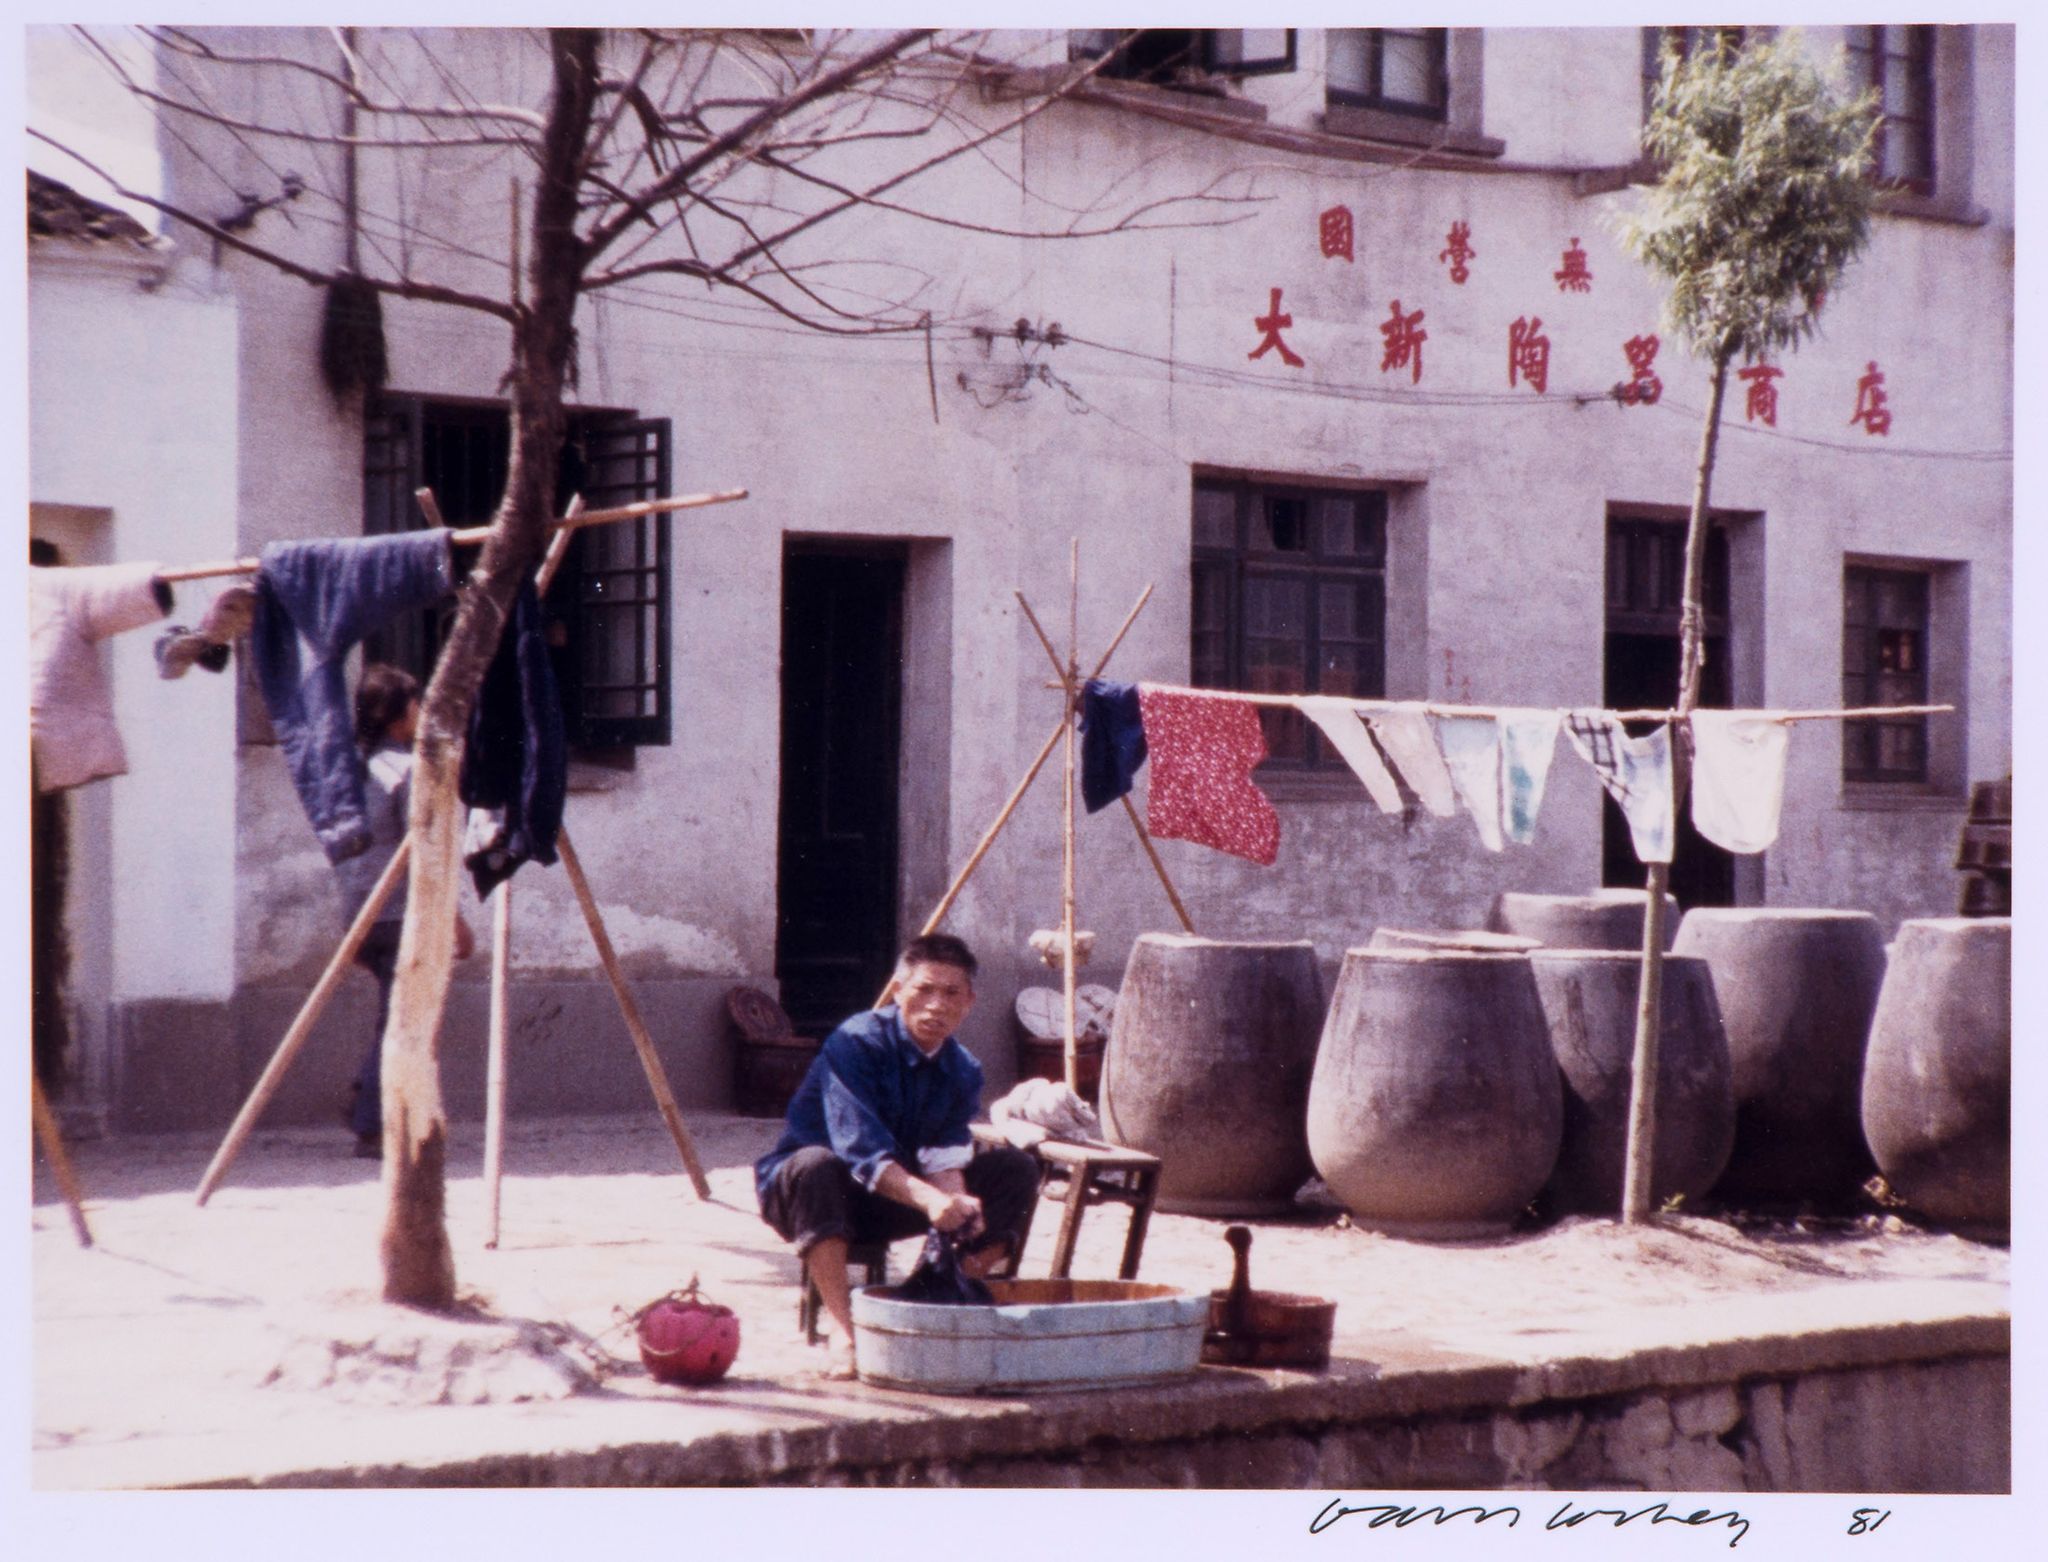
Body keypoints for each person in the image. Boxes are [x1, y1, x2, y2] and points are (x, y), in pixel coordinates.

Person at [755, 934, 1040, 1372]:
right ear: (898, 990)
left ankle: (936, 1298)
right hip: (813, 1197)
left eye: (951, 993)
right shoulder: (856, 1042)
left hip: (895, 1196)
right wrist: (931, 1201)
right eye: (924, 989)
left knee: (1015, 1168)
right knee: (818, 1165)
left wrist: (957, 1202)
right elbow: (861, 1154)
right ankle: (843, 1329)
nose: (936, 1005)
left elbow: (943, 1158)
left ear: (970, 1001)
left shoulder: (963, 1068)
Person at [336, 664, 473, 1157]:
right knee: (401, 1019)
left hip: (358, 910)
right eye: (415, 702)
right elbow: (421, 850)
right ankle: (373, 1121)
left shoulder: (350, 768)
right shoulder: (405, 770)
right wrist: (452, 917)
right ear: (398, 713)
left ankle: (365, 1098)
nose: (421, 711)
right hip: (395, 912)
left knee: (392, 1013)